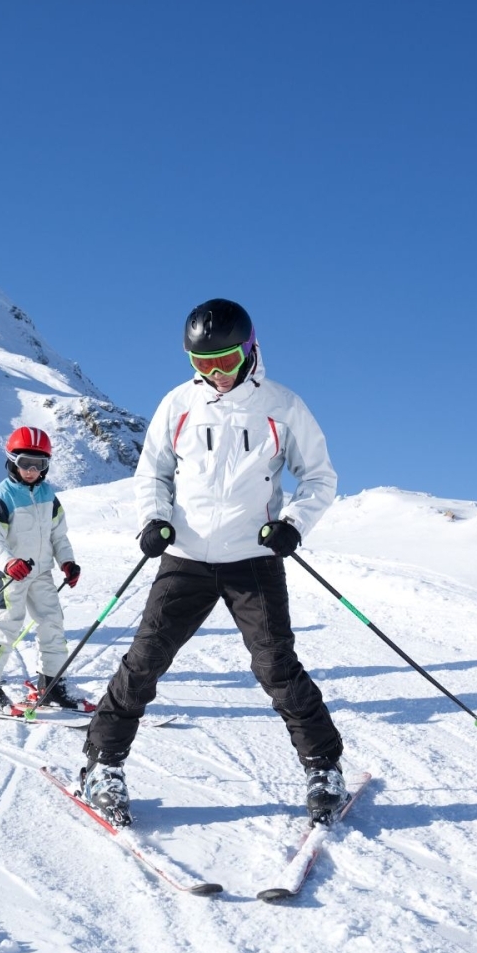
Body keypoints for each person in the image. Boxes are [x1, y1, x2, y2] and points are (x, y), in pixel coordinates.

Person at [81, 298, 345, 827]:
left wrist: (292, 524)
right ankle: (101, 764)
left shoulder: (282, 406)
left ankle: (323, 767)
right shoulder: (178, 404)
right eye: (201, 364)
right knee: (145, 661)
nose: (215, 374)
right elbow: (151, 472)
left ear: (248, 350)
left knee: (276, 666)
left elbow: (319, 478)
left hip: (252, 558)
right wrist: (154, 519)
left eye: (224, 360)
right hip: (186, 556)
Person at [0, 426, 84, 710]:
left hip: (41, 572)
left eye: (39, 464)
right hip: (13, 575)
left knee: (52, 623)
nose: (31, 471)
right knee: (7, 624)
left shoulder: (48, 495)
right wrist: (8, 563)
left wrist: (67, 562)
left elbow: (58, 535)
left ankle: (51, 683)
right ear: (11, 460)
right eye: (25, 463)